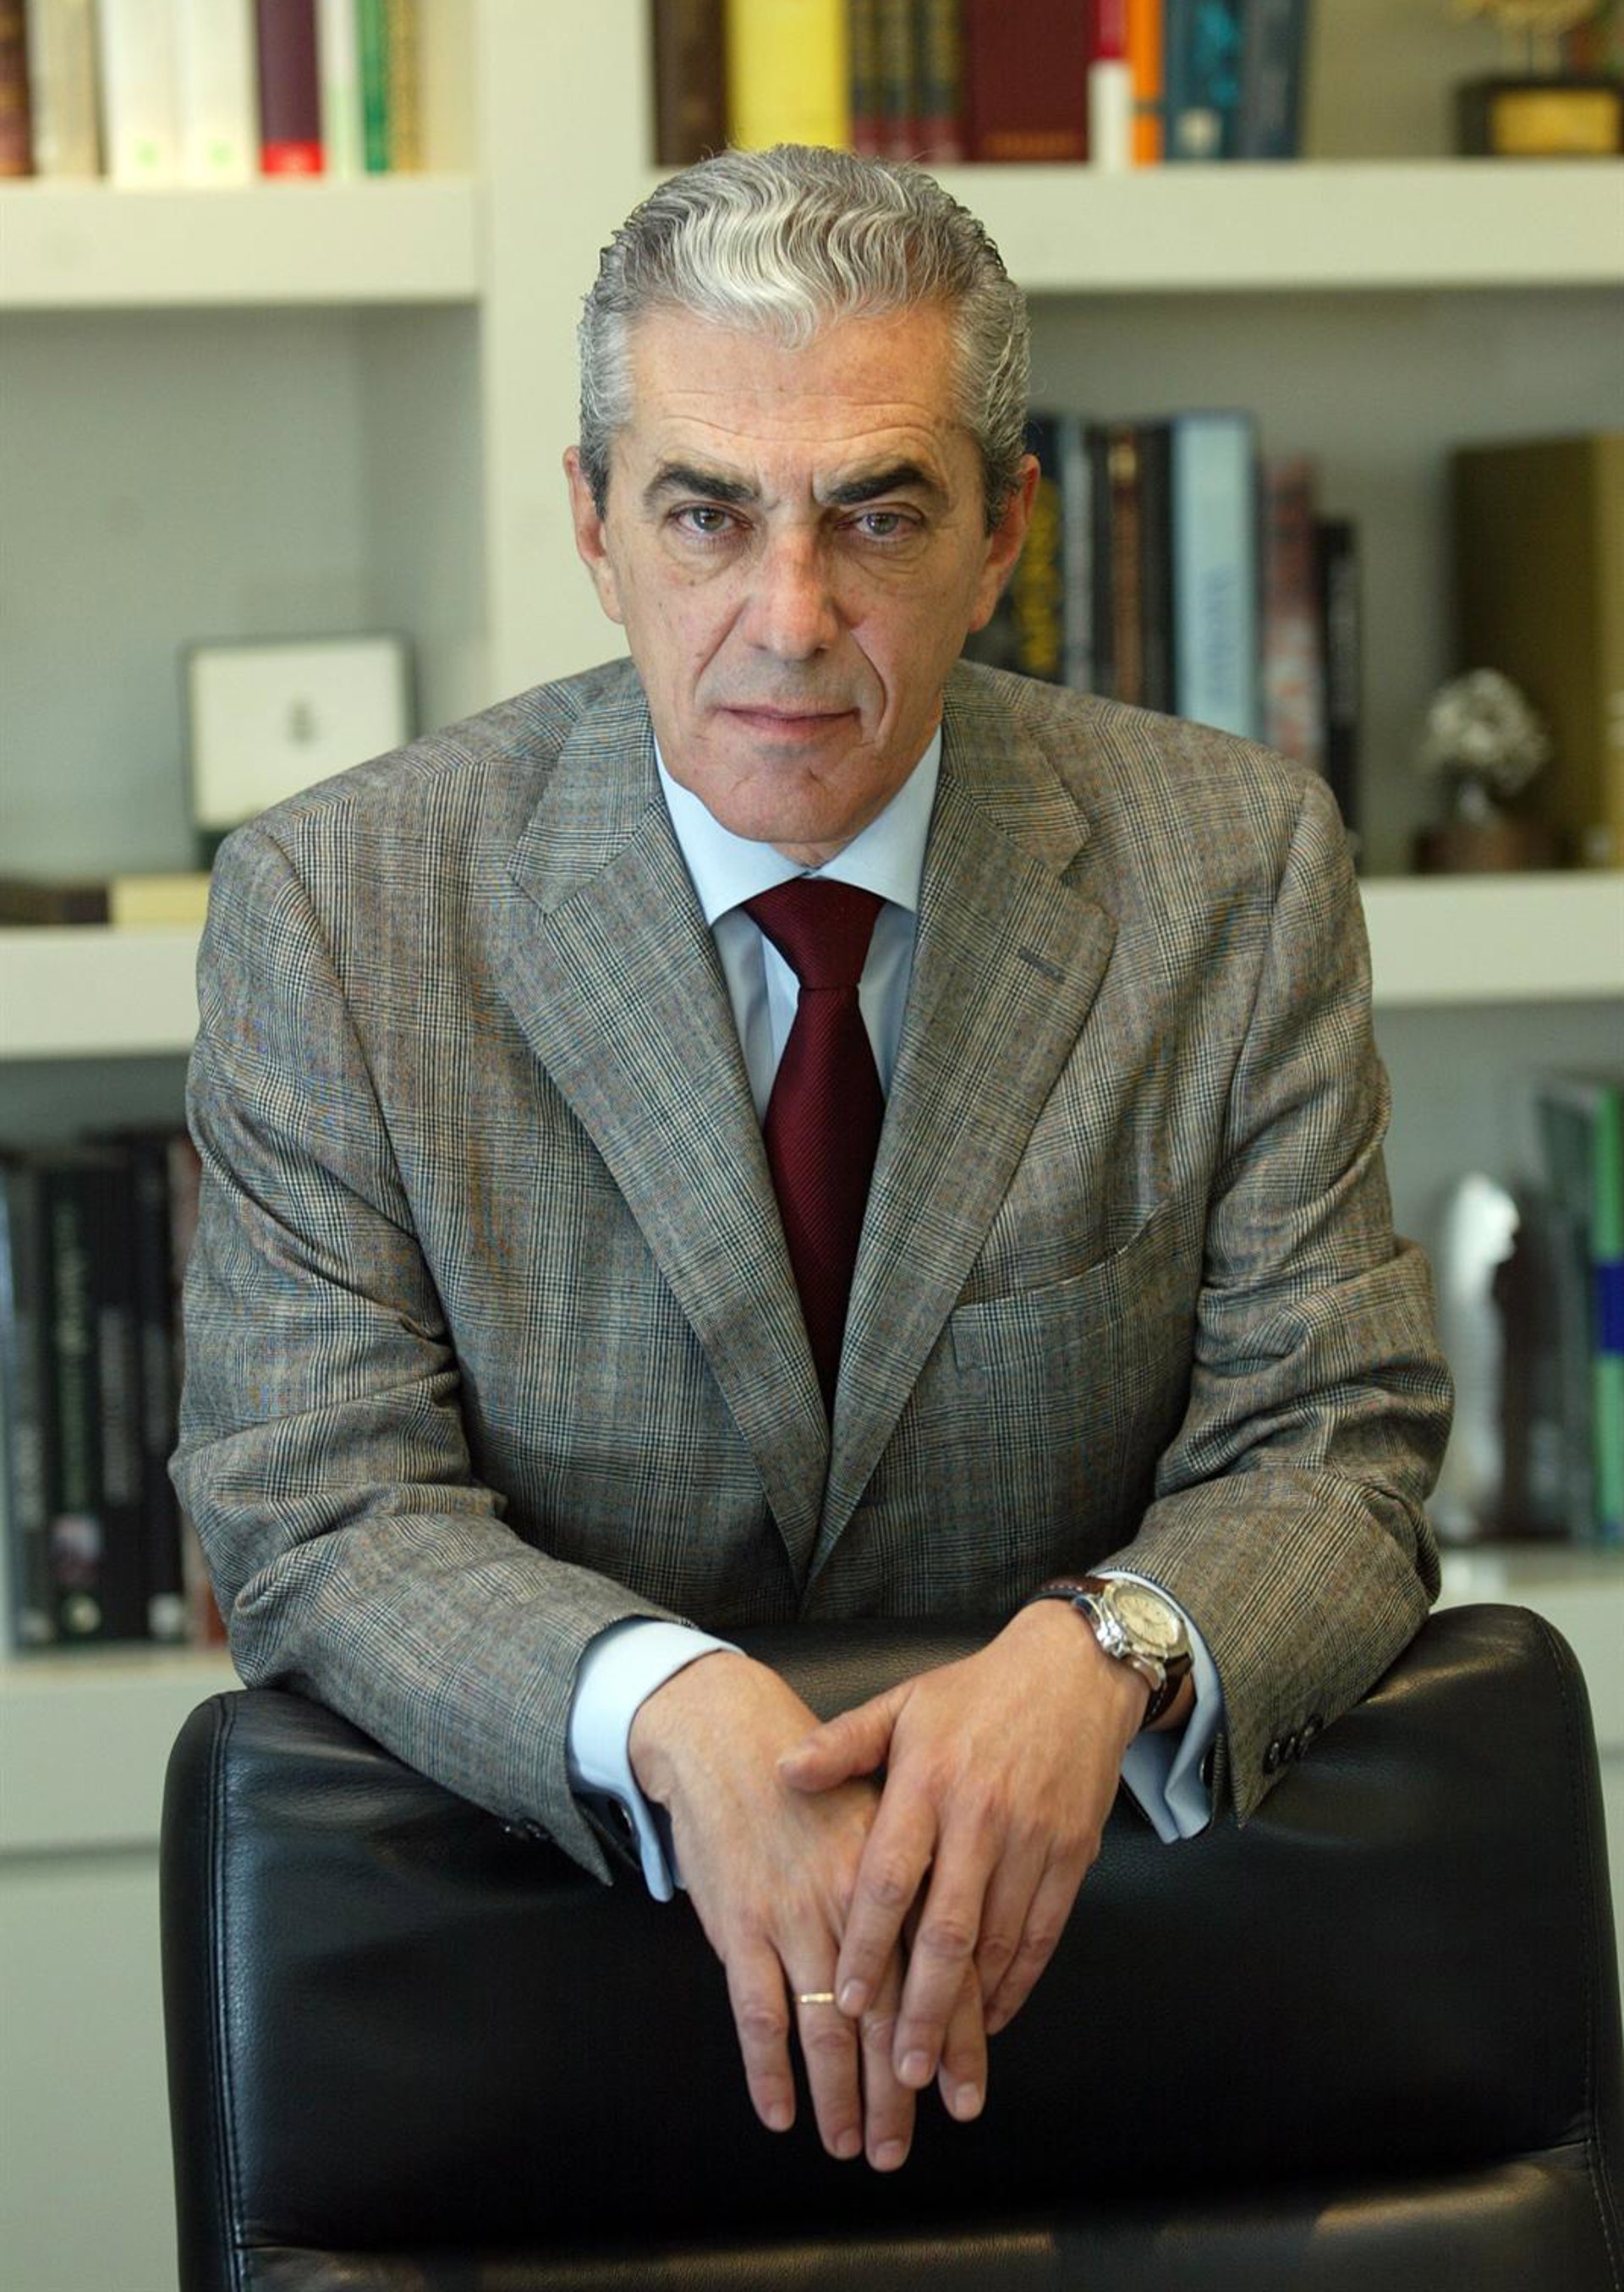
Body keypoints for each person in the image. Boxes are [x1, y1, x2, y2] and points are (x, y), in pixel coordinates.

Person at [174, 146, 1451, 2177]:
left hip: (1116, 2006)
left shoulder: (1237, 866)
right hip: (536, 2004)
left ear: (1003, 531)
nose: (790, 615)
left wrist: (1104, 1648)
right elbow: (310, 1497)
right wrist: (670, 1708)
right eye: (707, 512)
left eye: (877, 512)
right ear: (594, 525)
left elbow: (1340, 1436)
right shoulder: (344, 909)